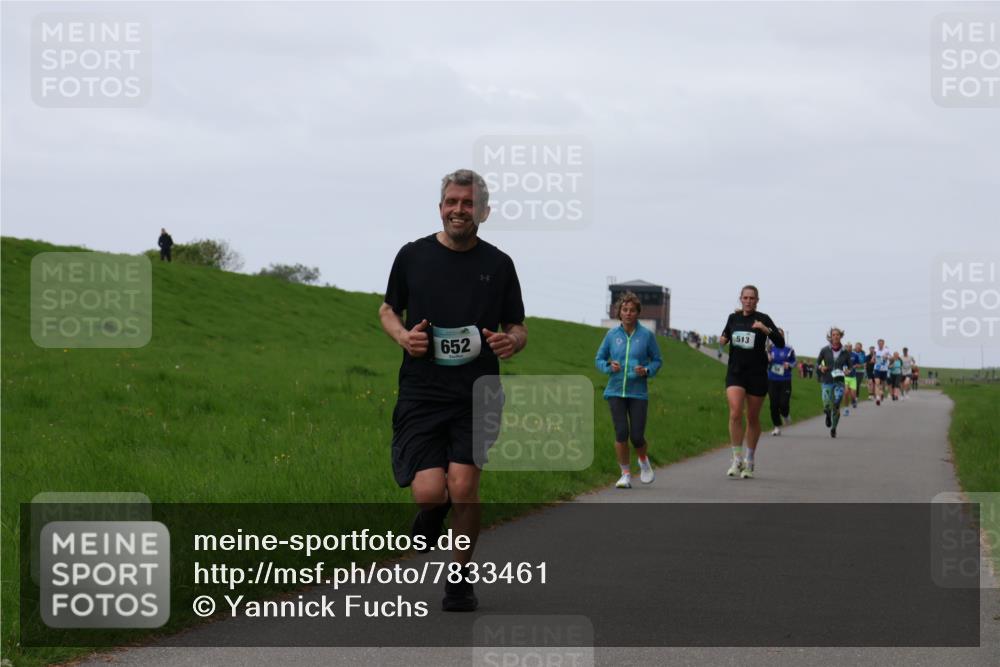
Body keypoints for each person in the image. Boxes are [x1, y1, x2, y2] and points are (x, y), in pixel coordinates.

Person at [379, 168, 527, 612]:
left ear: (483, 210)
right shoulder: (412, 256)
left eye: (467, 203)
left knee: (463, 486)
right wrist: (404, 337)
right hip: (422, 390)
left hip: (477, 392)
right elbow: (388, 310)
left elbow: (517, 326)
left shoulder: (498, 265)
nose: (458, 210)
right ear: (440, 206)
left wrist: (511, 342)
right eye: (451, 202)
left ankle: (459, 580)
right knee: (429, 492)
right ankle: (430, 513)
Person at [595, 291, 663, 489]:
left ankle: (643, 461)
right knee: (621, 433)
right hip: (615, 391)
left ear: (637, 313)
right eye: (625, 310)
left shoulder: (646, 336)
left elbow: (658, 360)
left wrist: (647, 370)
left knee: (636, 436)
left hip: (638, 393)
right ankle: (625, 474)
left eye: (632, 310)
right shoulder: (611, 335)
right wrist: (609, 367)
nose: (628, 313)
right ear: (619, 313)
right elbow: (598, 359)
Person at [719, 285, 784, 479]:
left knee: (753, 418)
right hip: (736, 372)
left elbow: (780, 343)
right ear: (740, 299)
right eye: (745, 298)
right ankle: (736, 458)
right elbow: (725, 335)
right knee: (736, 411)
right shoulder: (733, 318)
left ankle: (750, 459)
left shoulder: (763, 318)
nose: (748, 301)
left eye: (752, 298)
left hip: (757, 374)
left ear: (757, 300)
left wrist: (765, 330)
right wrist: (722, 340)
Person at [816, 327, 852, 438]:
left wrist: (847, 371)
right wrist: (821, 367)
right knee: (826, 403)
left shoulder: (845, 352)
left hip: (839, 381)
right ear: (831, 337)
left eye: (838, 334)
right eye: (834, 334)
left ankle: (834, 428)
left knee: (836, 404)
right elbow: (817, 363)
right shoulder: (824, 350)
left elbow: (850, 367)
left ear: (840, 336)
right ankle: (827, 414)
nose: (836, 336)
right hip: (827, 380)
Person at [766, 330, 795, 435]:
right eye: (776, 335)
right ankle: (776, 427)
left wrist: (789, 364)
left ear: (782, 337)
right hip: (772, 379)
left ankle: (786, 415)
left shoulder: (789, 348)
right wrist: (767, 358)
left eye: (780, 335)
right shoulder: (769, 348)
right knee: (773, 404)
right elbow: (763, 361)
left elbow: (794, 361)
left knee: (783, 403)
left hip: (785, 379)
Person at [871, 339, 892, 405]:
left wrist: (887, 357)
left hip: (884, 369)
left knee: (882, 384)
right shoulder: (875, 350)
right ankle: (878, 398)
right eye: (879, 343)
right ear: (877, 344)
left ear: (883, 344)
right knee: (877, 383)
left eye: (881, 343)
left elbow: (891, 358)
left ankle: (881, 393)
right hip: (877, 369)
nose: (880, 344)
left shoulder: (886, 350)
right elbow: (873, 358)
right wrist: (873, 359)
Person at [850, 342, 867, 410]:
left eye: (858, 346)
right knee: (852, 386)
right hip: (852, 371)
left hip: (860, 371)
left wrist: (859, 365)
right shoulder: (852, 353)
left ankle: (856, 398)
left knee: (857, 384)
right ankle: (853, 398)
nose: (857, 347)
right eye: (856, 346)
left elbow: (864, 363)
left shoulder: (863, 354)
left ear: (861, 347)